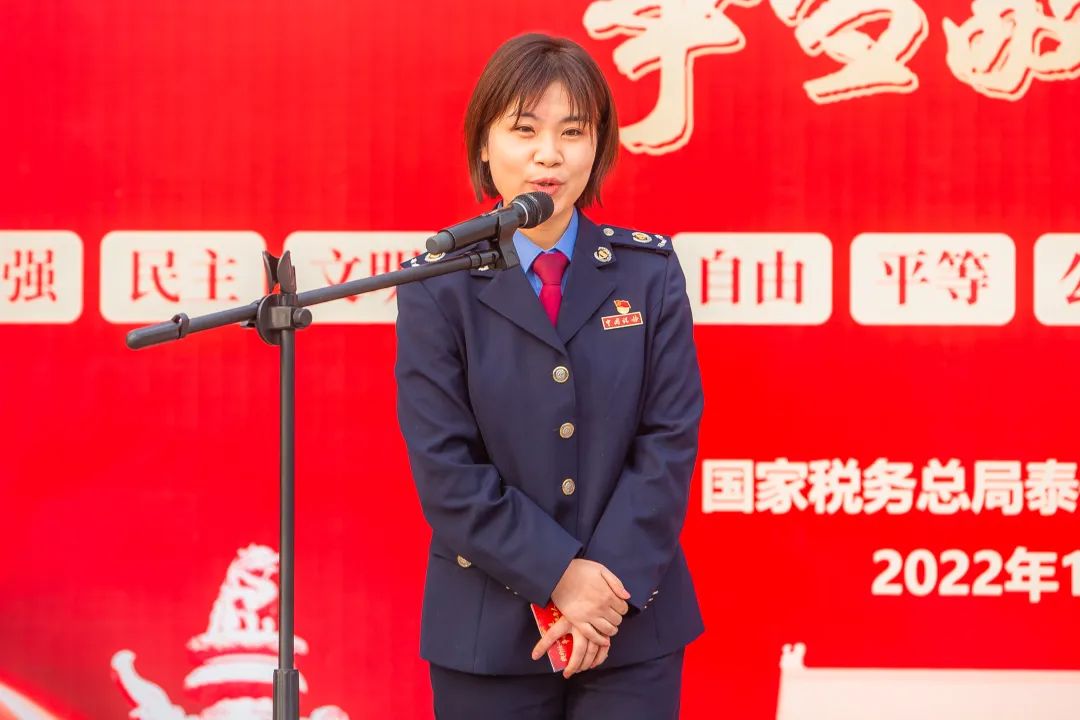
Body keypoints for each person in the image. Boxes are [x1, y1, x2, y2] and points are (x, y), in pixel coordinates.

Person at [394, 32, 704, 720]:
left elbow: (668, 441)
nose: (549, 155)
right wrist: (560, 577)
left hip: (630, 624)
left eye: (573, 131)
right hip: (487, 630)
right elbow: (447, 468)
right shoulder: (436, 285)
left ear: (599, 147)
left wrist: (603, 590)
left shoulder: (647, 273)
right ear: (484, 143)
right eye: (525, 129)